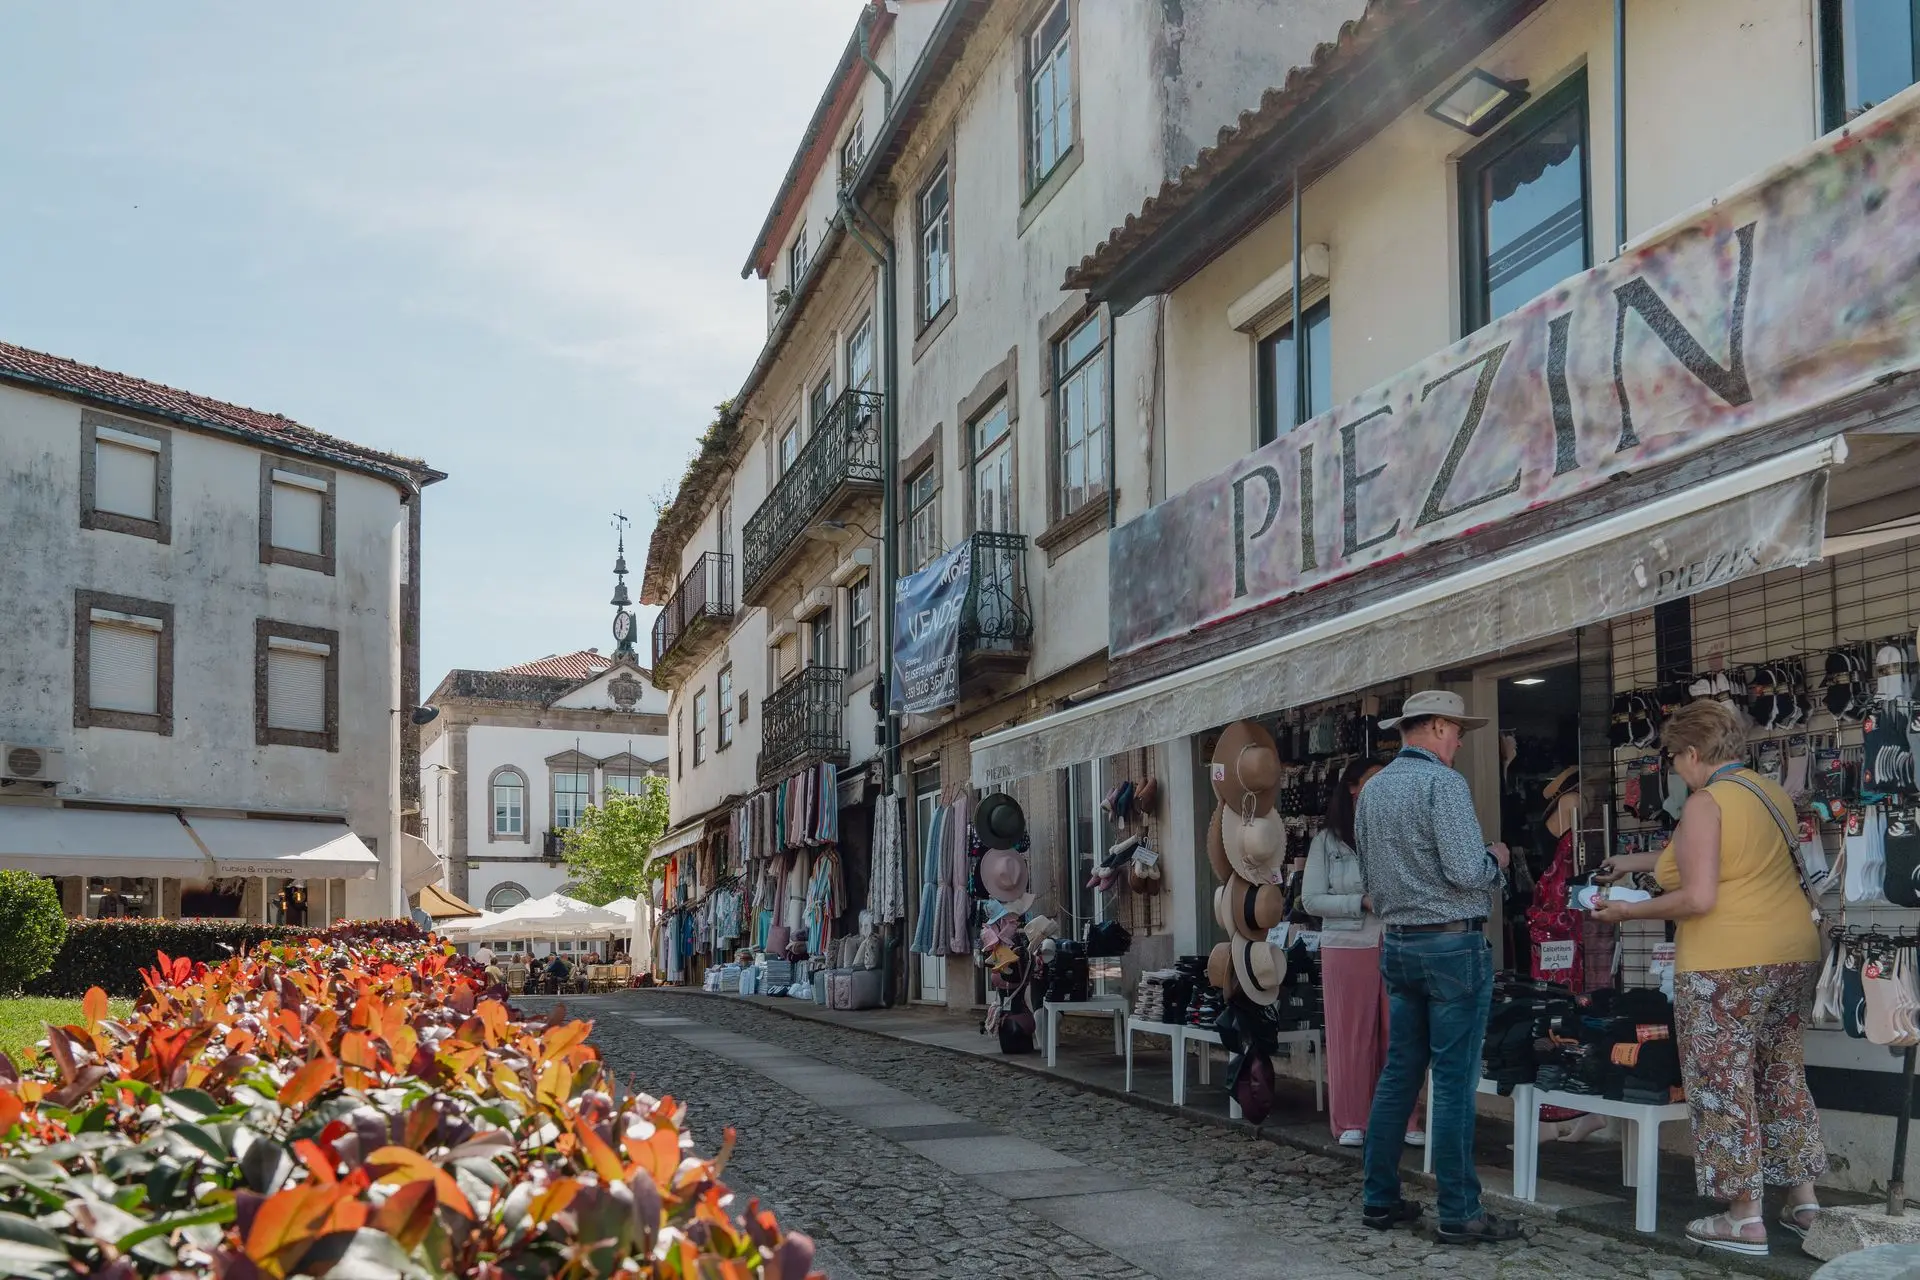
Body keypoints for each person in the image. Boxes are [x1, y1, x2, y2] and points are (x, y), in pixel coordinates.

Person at [1593, 699, 1824, 1256]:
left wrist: (1626, 911)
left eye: (1674, 758)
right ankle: (1804, 1202)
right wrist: (1633, 862)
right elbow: (1720, 858)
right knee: (1781, 1073)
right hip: (1792, 953)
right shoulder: (1767, 793)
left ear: (1693, 753)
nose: (1674, 769)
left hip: (1727, 959)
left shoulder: (1704, 802)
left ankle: (1743, 1218)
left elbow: (1698, 896)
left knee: (1722, 1081)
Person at [1353, 690, 1517, 1244]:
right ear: (1441, 727)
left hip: (1399, 944)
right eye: (1459, 732)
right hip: (1451, 946)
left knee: (1399, 1073)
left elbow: (1370, 877)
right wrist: (1497, 859)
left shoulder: (1373, 789)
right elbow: (1467, 871)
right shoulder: (1442, 784)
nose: (1460, 743)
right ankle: (1459, 1211)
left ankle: (1379, 1198)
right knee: (1451, 1082)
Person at [1303, 759, 1426, 1148]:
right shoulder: (1327, 842)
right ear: (1353, 789)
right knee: (1351, 1036)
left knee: (1402, 1033)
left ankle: (1406, 1117)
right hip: (1347, 944)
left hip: (1396, 940)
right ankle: (1351, 1118)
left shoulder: (1398, 834)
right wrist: (1360, 901)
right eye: (1374, 780)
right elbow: (1311, 899)